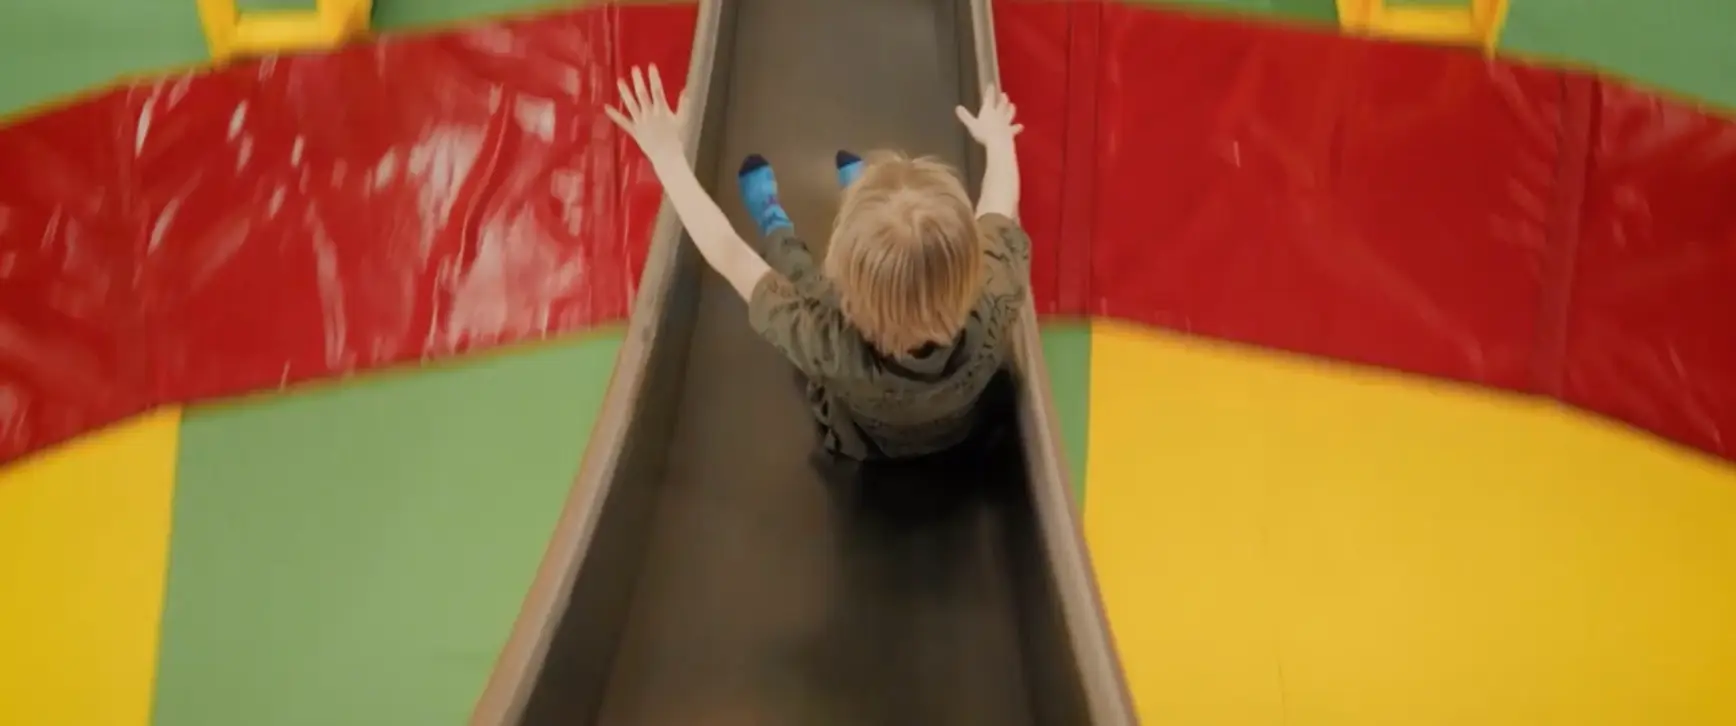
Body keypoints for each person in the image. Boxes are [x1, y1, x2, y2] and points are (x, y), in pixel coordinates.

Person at [606, 65, 1028, 462]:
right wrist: (998, 140)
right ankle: (864, 207)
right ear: (971, 266)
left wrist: (667, 158)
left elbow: (729, 252)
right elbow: (998, 205)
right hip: (955, 430)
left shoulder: (827, 341)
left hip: (864, 444)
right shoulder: (994, 292)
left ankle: (775, 222)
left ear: (847, 287)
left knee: (802, 282)